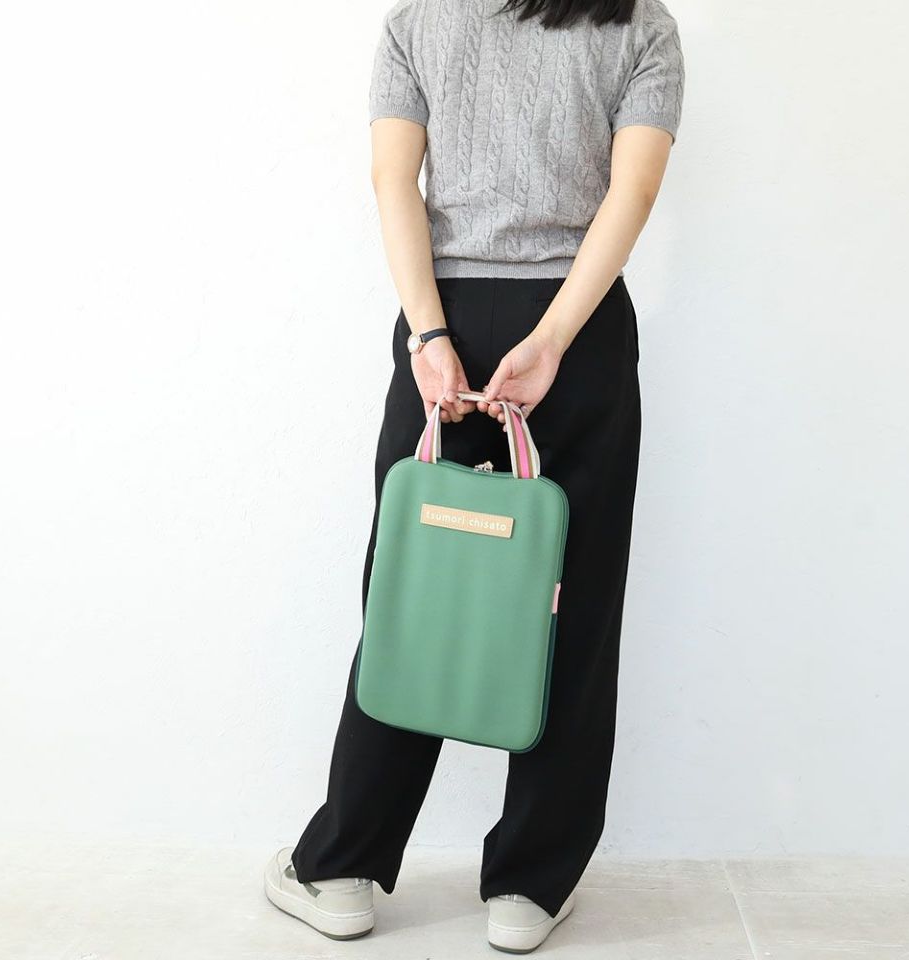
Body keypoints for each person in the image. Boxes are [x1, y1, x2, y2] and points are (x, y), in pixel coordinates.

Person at [264, 0, 685, 951]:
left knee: (414, 594)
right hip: (575, 336)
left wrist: (429, 334)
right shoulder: (640, 25)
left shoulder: (418, 21)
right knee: (571, 607)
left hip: (446, 329)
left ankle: (340, 868)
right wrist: (555, 338)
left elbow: (393, 179)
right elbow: (632, 192)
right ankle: (530, 886)